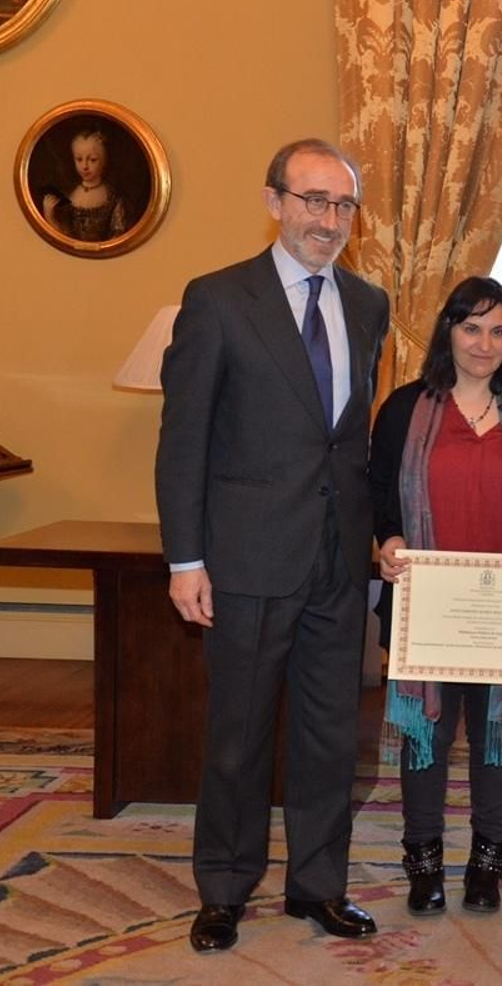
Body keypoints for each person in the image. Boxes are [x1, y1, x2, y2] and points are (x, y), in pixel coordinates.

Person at [156, 138, 390, 952]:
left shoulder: (369, 303)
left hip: (336, 560)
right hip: (247, 558)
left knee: (331, 734)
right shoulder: (219, 299)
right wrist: (186, 559)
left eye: (342, 205)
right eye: (313, 201)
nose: (328, 220)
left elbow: (349, 439)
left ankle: (317, 886)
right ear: (274, 202)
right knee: (240, 732)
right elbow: (183, 439)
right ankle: (223, 887)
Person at [370, 276, 502, 915]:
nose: (484, 343)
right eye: (471, 327)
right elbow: (380, 496)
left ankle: (488, 862)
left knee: (499, 737)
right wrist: (385, 541)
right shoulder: (405, 408)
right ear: (448, 331)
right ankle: (424, 861)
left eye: (498, 331)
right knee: (425, 736)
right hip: (427, 607)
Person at [40, 127, 132, 242]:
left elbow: (118, 236)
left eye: (92, 160)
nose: (85, 166)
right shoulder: (67, 194)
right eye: (79, 159)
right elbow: (65, 237)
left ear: (104, 162)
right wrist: (50, 215)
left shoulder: (114, 198)